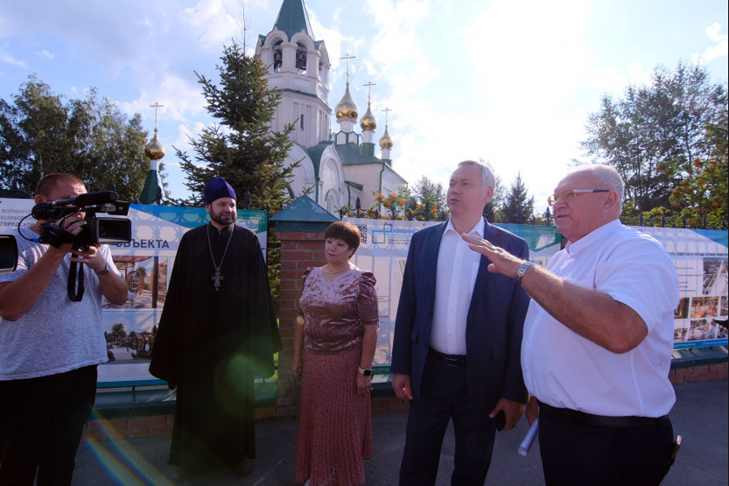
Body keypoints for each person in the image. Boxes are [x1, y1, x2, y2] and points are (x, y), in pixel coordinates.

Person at [464, 164, 679, 486]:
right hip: (565, 429)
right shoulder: (565, 258)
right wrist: (541, 395)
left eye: (570, 195)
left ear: (610, 200)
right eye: (555, 197)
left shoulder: (637, 250)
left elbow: (620, 330)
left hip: (614, 441)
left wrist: (525, 271)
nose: (557, 203)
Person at [391, 160, 531, 486]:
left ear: (488, 193)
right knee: (416, 461)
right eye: (452, 183)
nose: (454, 189)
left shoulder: (511, 248)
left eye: (465, 184)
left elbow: (518, 324)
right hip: (430, 374)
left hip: (481, 379)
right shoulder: (424, 242)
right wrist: (401, 366)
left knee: (472, 463)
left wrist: (514, 392)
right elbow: (409, 306)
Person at [0, 173, 127, 485]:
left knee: (61, 465)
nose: (78, 213)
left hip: (79, 372)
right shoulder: (11, 242)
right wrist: (56, 251)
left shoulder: (96, 244)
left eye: (83, 205)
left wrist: (101, 266)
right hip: (25, 377)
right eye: (71, 202)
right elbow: (11, 308)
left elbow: (120, 296)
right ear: (41, 203)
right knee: (17, 466)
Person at [149, 176, 280, 478]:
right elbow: (177, 294)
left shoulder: (247, 241)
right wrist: (175, 341)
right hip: (197, 343)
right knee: (196, 402)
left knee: (235, 400)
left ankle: (236, 457)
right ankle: (191, 461)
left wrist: (258, 341)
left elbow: (260, 293)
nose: (229, 209)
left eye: (232, 204)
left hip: (235, 343)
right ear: (207, 206)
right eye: (222, 204)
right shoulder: (192, 240)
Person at [294, 221, 379, 486]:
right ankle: (318, 475)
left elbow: (371, 328)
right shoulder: (310, 276)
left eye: (340, 244)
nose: (332, 247)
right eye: (329, 241)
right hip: (314, 362)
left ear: (351, 250)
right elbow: (300, 319)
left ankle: (342, 477)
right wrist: (297, 358)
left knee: (340, 421)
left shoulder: (360, 282)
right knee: (316, 420)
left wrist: (364, 370)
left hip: (345, 362)